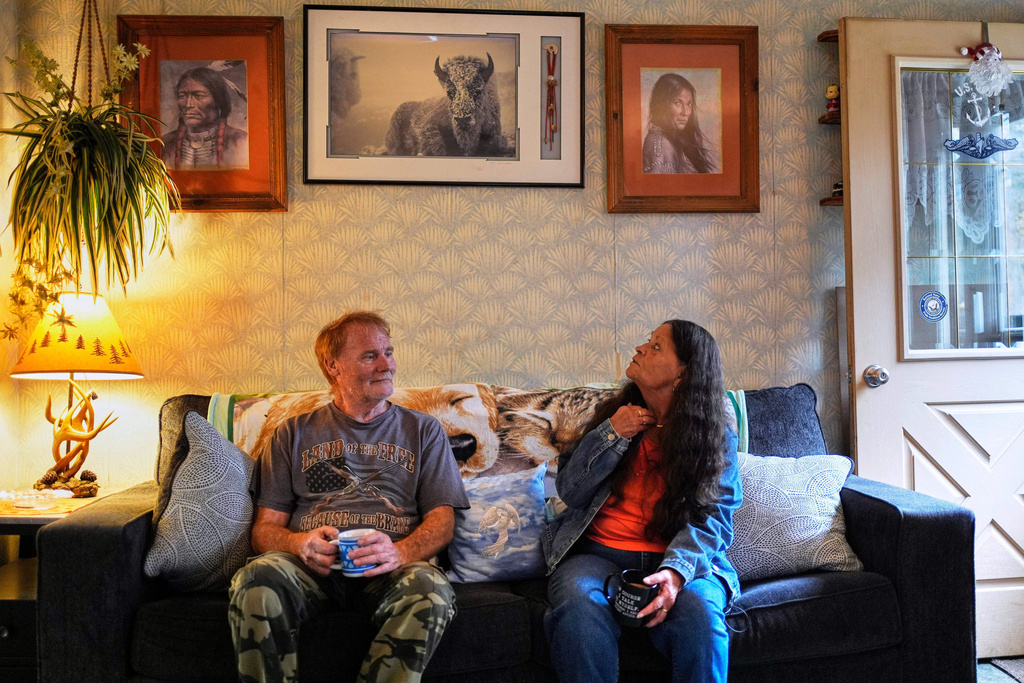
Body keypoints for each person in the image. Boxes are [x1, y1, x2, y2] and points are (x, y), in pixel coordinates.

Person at [228, 311, 469, 683]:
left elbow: (442, 520)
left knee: (431, 588)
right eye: (370, 356)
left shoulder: (423, 431)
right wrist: (297, 543)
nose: (387, 364)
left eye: (388, 352)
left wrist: (399, 552)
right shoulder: (292, 433)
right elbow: (264, 530)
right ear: (333, 365)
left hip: (389, 571)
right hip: (311, 569)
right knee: (255, 579)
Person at [541, 320, 741, 683]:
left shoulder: (714, 435)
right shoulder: (611, 416)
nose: (640, 349)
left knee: (701, 615)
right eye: (647, 342)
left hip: (681, 561)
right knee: (578, 607)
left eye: (656, 347)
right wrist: (611, 434)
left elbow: (715, 515)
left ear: (682, 374)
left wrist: (676, 573)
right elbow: (570, 491)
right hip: (598, 556)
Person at [162, 67, 248, 169]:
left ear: (218, 100)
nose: (189, 104)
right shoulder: (164, 144)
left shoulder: (241, 141)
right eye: (182, 96)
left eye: (199, 96)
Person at [642, 73, 719, 174]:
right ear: (661, 105)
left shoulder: (673, 139)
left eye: (689, 104)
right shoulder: (661, 144)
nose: (685, 112)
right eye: (677, 103)